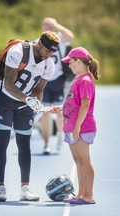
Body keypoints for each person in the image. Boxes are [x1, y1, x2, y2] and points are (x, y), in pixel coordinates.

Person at [0, 31, 60, 202]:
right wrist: (27, 99)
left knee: (24, 143)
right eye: (47, 51)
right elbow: (8, 82)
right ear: (39, 44)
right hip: (5, 99)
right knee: (3, 140)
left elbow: (39, 89)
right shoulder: (18, 52)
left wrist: (36, 103)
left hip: (26, 104)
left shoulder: (48, 64)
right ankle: (0, 187)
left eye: (52, 53)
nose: (49, 55)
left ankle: (25, 188)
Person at [50, 47, 100, 204]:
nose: (69, 66)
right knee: (78, 160)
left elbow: (85, 105)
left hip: (82, 126)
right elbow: (73, 101)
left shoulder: (85, 80)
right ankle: (81, 194)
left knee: (84, 160)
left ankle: (89, 195)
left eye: (71, 62)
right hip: (72, 126)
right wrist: (61, 107)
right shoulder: (78, 79)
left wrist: (77, 126)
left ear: (79, 62)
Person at [39, 17, 75, 154]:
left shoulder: (61, 38)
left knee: (60, 112)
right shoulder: (40, 40)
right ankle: (46, 143)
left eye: (50, 25)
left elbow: (70, 36)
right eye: (45, 25)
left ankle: (60, 135)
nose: (48, 27)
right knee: (45, 113)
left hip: (58, 79)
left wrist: (56, 25)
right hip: (44, 80)